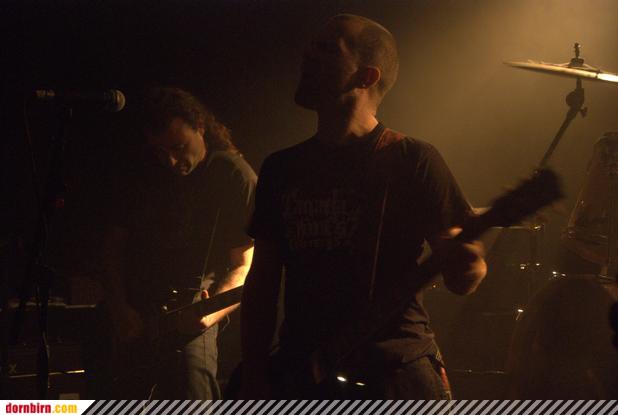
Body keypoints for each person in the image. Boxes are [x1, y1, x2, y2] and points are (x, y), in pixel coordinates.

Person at [239, 14, 487, 399]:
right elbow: (263, 281)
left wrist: (470, 262)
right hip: (304, 372)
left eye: (326, 48)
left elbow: (463, 280)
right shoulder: (281, 168)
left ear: (366, 77)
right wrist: (254, 370)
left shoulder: (412, 159)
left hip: (394, 374)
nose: (307, 54)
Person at [100, 87, 256, 399]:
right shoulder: (141, 174)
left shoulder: (232, 175)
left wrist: (210, 314)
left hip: (190, 320)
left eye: (178, 147)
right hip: (133, 317)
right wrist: (119, 307)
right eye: (160, 152)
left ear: (200, 127)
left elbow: (245, 266)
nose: (171, 161)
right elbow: (112, 249)